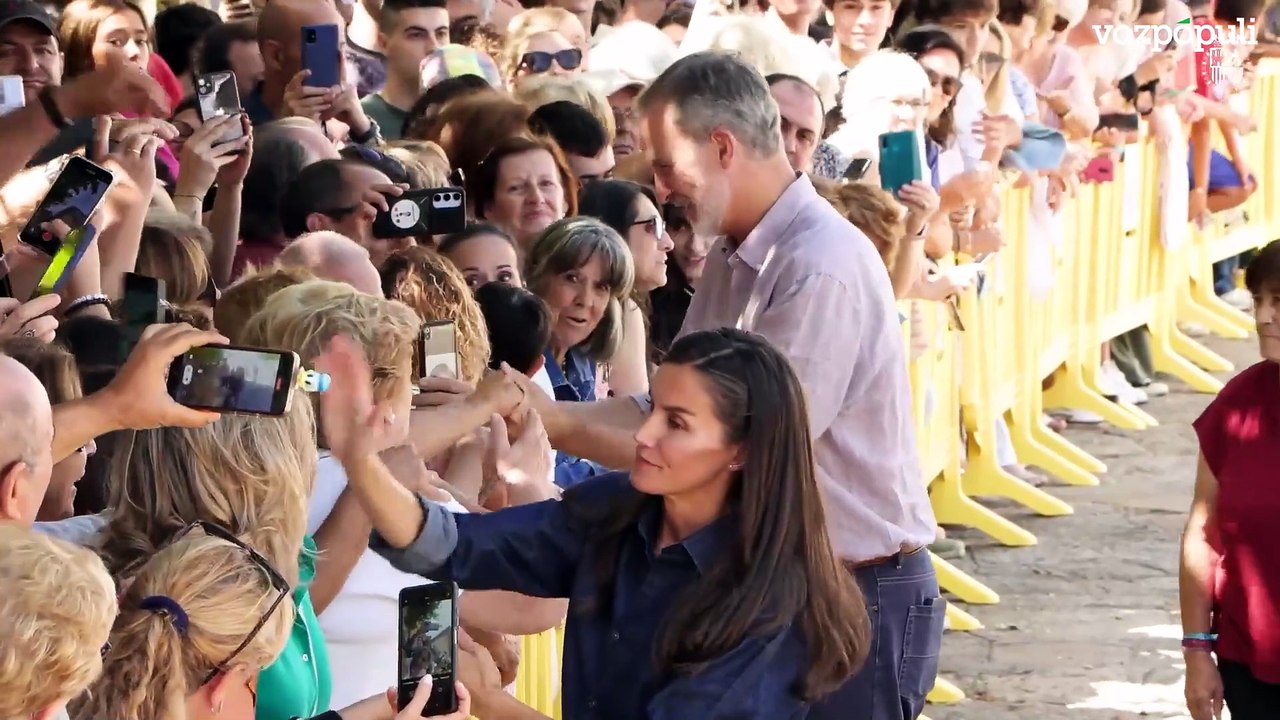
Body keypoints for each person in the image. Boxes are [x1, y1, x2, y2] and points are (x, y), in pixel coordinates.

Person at [513, 51, 944, 720]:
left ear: (721, 147)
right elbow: (673, 415)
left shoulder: (817, 265)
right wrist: (545, 416)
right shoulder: (734, 253)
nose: (659, 189)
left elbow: (733, 444)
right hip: (783, 591)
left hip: (854, 592)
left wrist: (552, 436)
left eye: (664, 165)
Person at [315, 327, 871, 720]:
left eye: (676, 424)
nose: (644, 436)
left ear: (742, 452)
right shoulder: (617, 509)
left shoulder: (770, 603)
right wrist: (362, 463)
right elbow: (453, 546)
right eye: (651, 410)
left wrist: (493, 702)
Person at [1181, 240, 1280, 720]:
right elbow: (1203, 530)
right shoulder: (1239, 401)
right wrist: (1197, 651)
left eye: (1279, 303)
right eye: (1258, 300)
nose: (1263, 317)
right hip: (1249, 661)